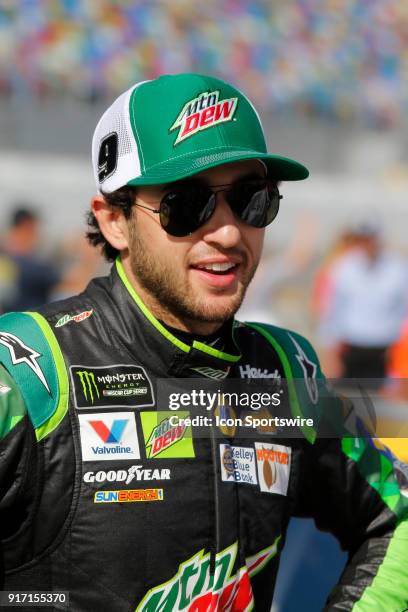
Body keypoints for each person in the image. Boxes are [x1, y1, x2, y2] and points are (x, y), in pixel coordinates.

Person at [0, 74, 407, 611]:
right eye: (187, 204)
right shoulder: (26, 374)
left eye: (251, 200)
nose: (229, 233)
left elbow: (395, 517)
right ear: (115, 221)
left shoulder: (288, 371)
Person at [317, 221, 408, 389]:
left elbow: (404, 310)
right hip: (351, 348)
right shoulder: (343, 266)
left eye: (370, 239)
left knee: (384, 406)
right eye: (363, 239)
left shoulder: (398, 268)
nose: (367, 244)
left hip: (386, 351)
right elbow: (331, 310)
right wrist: (330, 351)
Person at [0, 206, 61, 312]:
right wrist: (89, 258)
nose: (38, 236)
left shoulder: (7, 258)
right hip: (27, 324)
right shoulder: (32, 267)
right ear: (27, 227)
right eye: (36, 230)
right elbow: (74, 284)